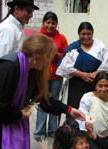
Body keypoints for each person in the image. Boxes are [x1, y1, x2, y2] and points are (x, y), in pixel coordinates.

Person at [56, 21, 108, 112]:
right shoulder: (73, 48)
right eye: (83, 34)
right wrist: (81, 75)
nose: (86, 37)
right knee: (76, 110)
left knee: (93, 110)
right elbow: (64, 67)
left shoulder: (99, 46)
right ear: (79, 34)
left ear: (92, 34)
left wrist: (96, 73)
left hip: (95, 84)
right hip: (76, 85)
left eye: (89, 34)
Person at [34, 11, 68, 140]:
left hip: (56, 76)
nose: (50, 25)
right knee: (42, 103)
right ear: (43, 23)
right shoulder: (38, 36)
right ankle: (39, 132)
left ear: (56, 25)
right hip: (41, 76)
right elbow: (33, 53)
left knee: (55, 103)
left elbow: (67, 55)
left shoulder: (62, 38)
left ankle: (53, 130)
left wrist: (55, 55)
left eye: (53, 23)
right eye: (48, 22)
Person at [0, 0, 39, 66]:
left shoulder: (17, 27)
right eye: (28, 11)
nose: (31, 15)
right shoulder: (7, 29)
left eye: (32, 12)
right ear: (17, 9)